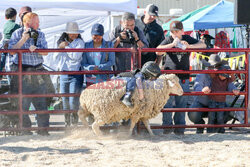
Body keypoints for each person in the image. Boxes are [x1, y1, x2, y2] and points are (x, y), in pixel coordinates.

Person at [156, 20, 206, 135]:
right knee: (167, 103)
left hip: (182, 76)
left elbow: (203, 45)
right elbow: (157, 51)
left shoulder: (187, 38)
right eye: (172, 31)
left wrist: (190, 46)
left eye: (176, 31)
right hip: (169, 77)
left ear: (182, 31)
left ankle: (179, 129)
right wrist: (172, 44)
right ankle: (167, 128)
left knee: (181, 103)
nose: (174, 33)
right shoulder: (169, 39)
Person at [8, 12, 50, 136]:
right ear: (27, 23)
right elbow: (11, 52)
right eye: (36, 22)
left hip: (37, 71)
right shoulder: (17, 33)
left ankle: (43, 130)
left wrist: (37, 49)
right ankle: (26, 130)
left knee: (41, 102)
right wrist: (24, 39)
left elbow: (46, 52)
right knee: (23, 104)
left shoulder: (40, 34)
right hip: (23, 72)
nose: (38, 24)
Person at [188, 54, 236, 133]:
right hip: (202, 103)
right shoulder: (202, 74)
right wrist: (202, 90)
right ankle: (200, 125)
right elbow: (197, 86)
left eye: (216, 66)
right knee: (193, 114)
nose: (214, 68)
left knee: (230, 112)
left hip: (217, 103)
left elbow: (230, 84)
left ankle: (216, 126)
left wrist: (234, 89)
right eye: (212, 66)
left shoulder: (222, 74)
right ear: (208, 66)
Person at [56, 22, 84, 127]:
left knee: (73, 100)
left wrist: (65, 47)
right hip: (64, 73)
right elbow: (56, 57)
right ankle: (67, 122)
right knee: (65, 100)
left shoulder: (80, 42)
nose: (73, 35)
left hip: (75, 74)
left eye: (75, 33)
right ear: (67, 33)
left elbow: (75, 56)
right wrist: (61, 47)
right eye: (71, 33)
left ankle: (74, 122)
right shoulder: (61, 42)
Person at [207, 65, 239, 133]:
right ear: (218, 73)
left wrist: (231, 72)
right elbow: (210, 71)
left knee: (220, 117)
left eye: (225, 75)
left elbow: (233, 79)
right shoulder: (215, 78)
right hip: (212, 100)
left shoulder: (227, 80)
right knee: (211, 116)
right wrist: (216, 68)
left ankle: (221, 130)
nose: (222, 76)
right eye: (221, 74)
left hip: (222, 101)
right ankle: (209, 130)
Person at [1, 8, 21, 79]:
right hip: (11, 44)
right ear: (15, 16)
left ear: (6, 17)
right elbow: (20, 32)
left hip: (4, 43)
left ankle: (0, 72)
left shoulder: (5, 24)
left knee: (3, 59)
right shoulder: (15, 25)